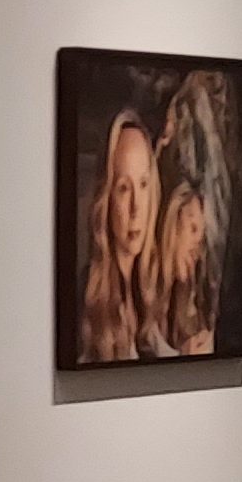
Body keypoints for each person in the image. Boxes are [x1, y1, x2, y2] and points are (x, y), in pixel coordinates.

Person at [77, 109, 163, 363]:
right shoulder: (87, 299)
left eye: (144, 184)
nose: (137, 207)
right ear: (106, 197)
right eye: (124, 188)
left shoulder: (154, 291)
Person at [157, 181, 216, 356]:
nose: (196, 250)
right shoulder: (138, 298)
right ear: (172, 221)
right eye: (192, 229)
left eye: (201, 239)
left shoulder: (185, 302)